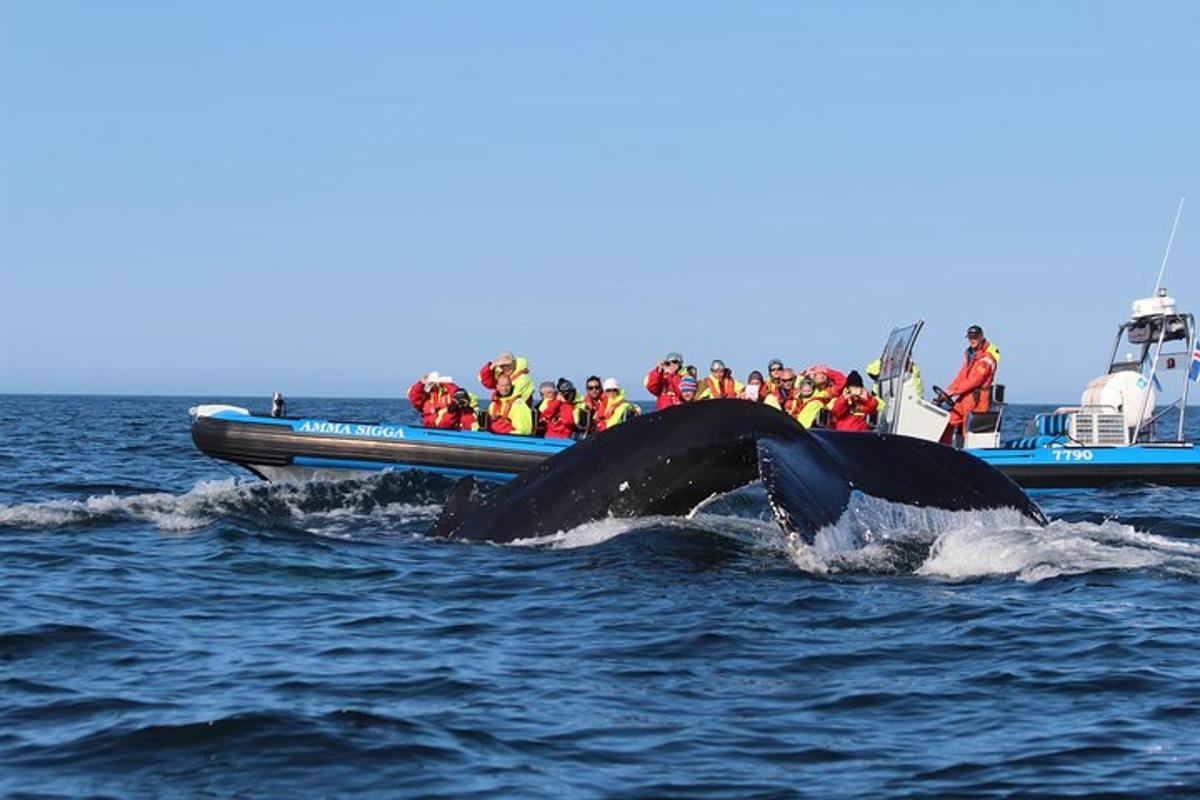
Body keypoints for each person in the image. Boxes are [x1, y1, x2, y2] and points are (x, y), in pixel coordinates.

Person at [938, 324, 1000, 445]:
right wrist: (947, 391)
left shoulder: (986, 359)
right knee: (948, 421)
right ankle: (943, 448)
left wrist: (953, 392)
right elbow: (961, 376)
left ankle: (967, 454)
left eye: (975, 337)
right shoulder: (969, 355)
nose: (972, 340)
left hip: (977, 399)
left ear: (981, 337)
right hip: (964, 398)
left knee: (968, 428)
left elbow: (974, 381)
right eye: (970, 337)